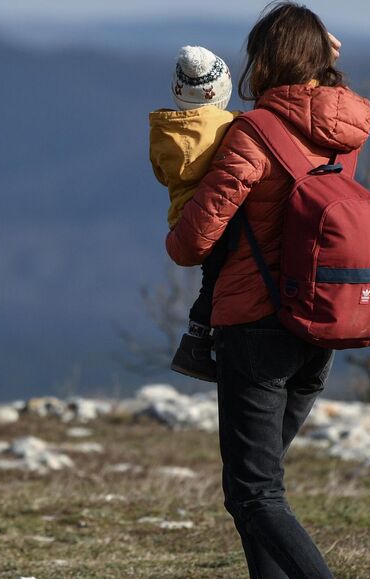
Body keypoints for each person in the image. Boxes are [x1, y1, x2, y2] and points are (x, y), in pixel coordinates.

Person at [164, 2, 370, 579]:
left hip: (257, 331)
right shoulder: (346, 130)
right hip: (320, 328)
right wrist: (324, 61)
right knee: (258, 491)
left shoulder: (252, 135)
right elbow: (320, 102)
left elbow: (191, 242)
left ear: (263, 62)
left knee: (253, 490)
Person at [148, 45, 238, 382]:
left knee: (210, 278)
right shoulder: (231, 126)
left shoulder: (162, 131)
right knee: (218, 280)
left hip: (182, 220)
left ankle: (198, 341)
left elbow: (161, 175)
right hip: (217, 218)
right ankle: (196, 345)